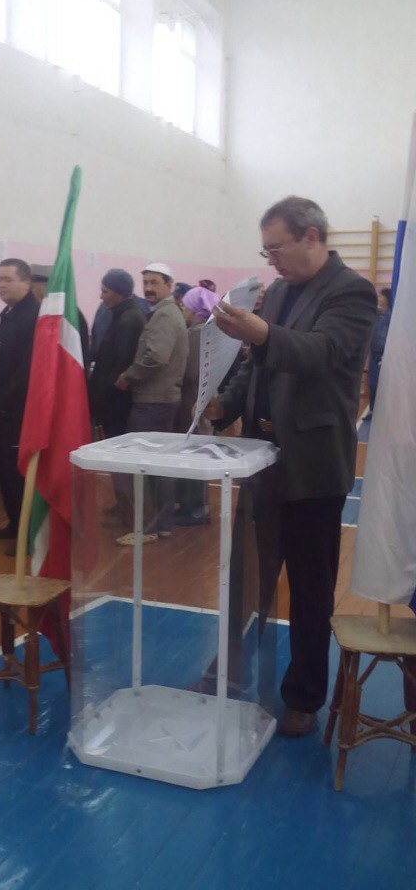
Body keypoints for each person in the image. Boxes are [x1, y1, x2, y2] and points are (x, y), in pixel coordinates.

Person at [204, 196, 377, 736]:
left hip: (312, 467)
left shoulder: (351, 291)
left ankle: (303, 695)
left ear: (311, 236)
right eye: (266, 251)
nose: (271, 260)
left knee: (309, 588)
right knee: (244, 576)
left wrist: (258, 332)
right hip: (259, 461)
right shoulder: (277, 292)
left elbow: (320, 353)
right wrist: (223, 404)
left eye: (276, 248)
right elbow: (256, 365)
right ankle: (230, 670)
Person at [115, 262, 188, 544]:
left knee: (141, 464)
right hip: (162, 399)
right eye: (145, 282)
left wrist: (129, 376)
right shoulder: (166, 311)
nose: (148, 288)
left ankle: (146, 528)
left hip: (153, 400)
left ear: (169, 285)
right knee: (159, 465)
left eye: (155, 282)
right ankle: (162, 524)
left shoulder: (164, 314)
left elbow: (156, 356)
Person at [0, 259, 39, 549]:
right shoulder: (9, 315)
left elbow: (26, 371)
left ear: (26, 282)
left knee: (19, 475)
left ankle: (28, 532)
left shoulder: (32, 318)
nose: (1, 285)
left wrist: (6, 402)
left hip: (15, 414)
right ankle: (15, 522)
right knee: (4, 472)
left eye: (7, 279)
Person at [89, 269, 146, 526]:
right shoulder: (123, 315)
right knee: (117, 455)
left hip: (117, 402)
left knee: (120, 455)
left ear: (120, 293)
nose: (101, 297)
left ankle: (128, 510)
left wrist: (102, 392)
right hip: (113, 400)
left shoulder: (128, 320)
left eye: (105, 291)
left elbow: (121, 365)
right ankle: (123, 504)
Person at [174, 285, 220, 525]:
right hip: (205, 396)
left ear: (194, 309)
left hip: (193, 399)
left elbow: (190, 372)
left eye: (185, 306)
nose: (182, 310)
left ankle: (195, 508)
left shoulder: (196, 333)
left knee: (193, 453)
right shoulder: (211, 330)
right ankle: (195, 506)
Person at [366, 286, 392, 418]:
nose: (379, 298)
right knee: (372, 384)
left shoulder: (391, 316)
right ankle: (372, 410)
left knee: (385, 386)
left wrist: (387, 355)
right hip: (374, 355)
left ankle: (386, 413)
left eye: (382, 296)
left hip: (386, 356)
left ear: (387, 298)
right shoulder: (375, 314)